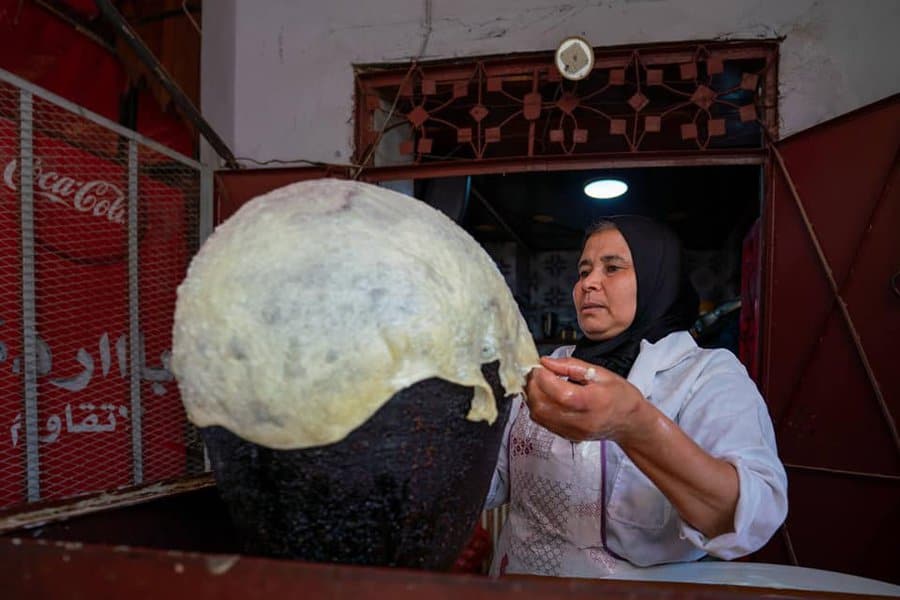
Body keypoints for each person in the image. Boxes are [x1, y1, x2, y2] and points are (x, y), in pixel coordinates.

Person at [484, 215, 787, 578]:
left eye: (612, 268)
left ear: (656, 278)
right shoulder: (546, 370)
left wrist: (635, 425)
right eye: (583, 272)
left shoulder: (705, 375)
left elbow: (753, 519)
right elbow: (492, 485)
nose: (588, 284)